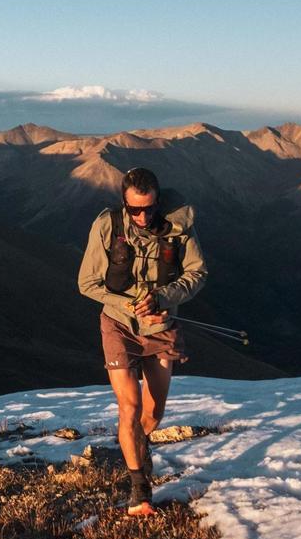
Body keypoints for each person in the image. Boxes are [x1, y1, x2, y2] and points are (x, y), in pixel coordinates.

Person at [77, 167, 208, 516]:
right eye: (135, 209)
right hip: (119, 325)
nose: (143, 216)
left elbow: (197, 273)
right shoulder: (107, 225)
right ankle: (140, 489)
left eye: (149, 208)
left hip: (162, 328)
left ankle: (140, 442)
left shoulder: (178, 226)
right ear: (124, 203)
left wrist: (162, 297)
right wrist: (130, 304)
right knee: (130, 408)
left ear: (158, 200)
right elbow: (87, 283)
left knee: (154, 412)